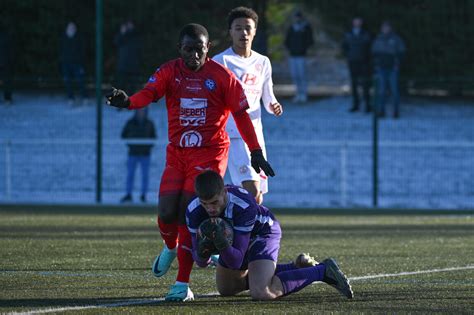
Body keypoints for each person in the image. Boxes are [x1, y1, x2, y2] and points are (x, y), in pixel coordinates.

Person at [105, 23, 275, 302]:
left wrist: (255, 150)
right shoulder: (169, 71)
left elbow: (242, 114)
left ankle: (182, 284)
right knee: (165, 210)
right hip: (178, 153)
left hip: (209, 153)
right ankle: (170, 247)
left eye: (199, 50)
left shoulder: (222, 76)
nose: (194, 55)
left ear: (208, 49)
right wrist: (128, 102)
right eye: (188, 49)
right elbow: (148, 93)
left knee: (187, 209)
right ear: (179, 50)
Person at [186, 170, 354, 300]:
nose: (210, 209)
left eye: (214, 202)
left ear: (224, 192)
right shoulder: (194, 211)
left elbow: (236, 260)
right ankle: (295, 267)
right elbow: (201, 262)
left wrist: (221, 244)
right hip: (238, 240)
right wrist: (202, 251)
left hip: (263, 232)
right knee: (227, 288)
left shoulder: (243, 205)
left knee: (262, 292)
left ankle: (323, 271)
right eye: (205, 204)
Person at [213, 7, 282, 205]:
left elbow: (268, 98)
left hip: (256, 136)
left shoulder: (263, 61)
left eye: (247, 28)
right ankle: (235, 230)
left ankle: (236, 228)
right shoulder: (221, 61)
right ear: (230, 32)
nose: (243, 32)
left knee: (258, 197)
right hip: (234, 134)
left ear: (254, 31)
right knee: (252, 192)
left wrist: (274, 106)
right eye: (238, 28)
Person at [120, 108, 157, 203]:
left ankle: (143, 195)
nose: (141, 112)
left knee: (145, 175)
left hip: (145, 154)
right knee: (130, 175)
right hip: (132, 153)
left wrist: (148, 147)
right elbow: (123, 135)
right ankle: (128, 195)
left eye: (143, 110)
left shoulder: (149, 123)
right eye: (139, 110)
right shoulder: (130, 122)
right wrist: (131, 144)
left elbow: (154, 137)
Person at [371, 21, 406, 118]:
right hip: (381, 69)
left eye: (387, 27)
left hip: (393, 69)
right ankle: (381, 111)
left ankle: (396, 112)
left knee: (395, 91)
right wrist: (376, 64)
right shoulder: (378, 39)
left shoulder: (396, 39)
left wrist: (397, 64)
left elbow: (402, 52)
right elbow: (374, 53)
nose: (385, 29)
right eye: (383, 27)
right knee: (381, 91)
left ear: (390, 28)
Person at [341, 17, 372, 113]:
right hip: (352, 62)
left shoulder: (366, 34)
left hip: (364, 62)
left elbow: (369, 47)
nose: (357, 23)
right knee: (354, 84)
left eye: (359, 21)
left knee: (365, 84)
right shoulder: (348, 34)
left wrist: (366, 58)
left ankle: (367, 105)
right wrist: (349, 55)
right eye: (355, 21)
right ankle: (356, 105)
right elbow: (344, 46)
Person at [284, 10, 314, 103]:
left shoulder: (306, 27)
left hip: (302, 55)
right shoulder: (291, 28)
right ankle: (298, 93)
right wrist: (290, 49)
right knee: (295, 75)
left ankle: (304, 94)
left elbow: (310, 40)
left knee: (302, 75)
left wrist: (304, 48)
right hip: (292, 55)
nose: (297, 19)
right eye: (295, 17)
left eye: (298, 17)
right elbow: (287, 41)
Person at [59, 21, 87, 105]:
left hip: (77, 63)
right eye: (70, 27)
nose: (71, 29)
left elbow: (82, 50)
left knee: (80, 80)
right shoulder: (63, 37)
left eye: (73, 27)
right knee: (67, 81)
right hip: (65, 63)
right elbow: (61, 49)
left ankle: (85, 97)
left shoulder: (79, 37)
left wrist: (81, 61)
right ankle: (70, 98)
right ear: (67, 28)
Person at [114, 19, 142, 95]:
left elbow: (138, 46)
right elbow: (116, 42)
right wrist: (122, 33)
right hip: (123, 64)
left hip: (133, 65)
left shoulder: (136, 35)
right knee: (121, 85)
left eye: (130, 24)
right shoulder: (122, 35)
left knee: (132, 86)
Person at [0, 25, 13, 105]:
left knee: (6, 80)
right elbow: (10, 51)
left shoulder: (6, 37)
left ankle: (7, 98)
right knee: (7, 81)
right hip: (5, 62)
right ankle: (7, 98)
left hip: (4, 61)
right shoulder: (6, 37)